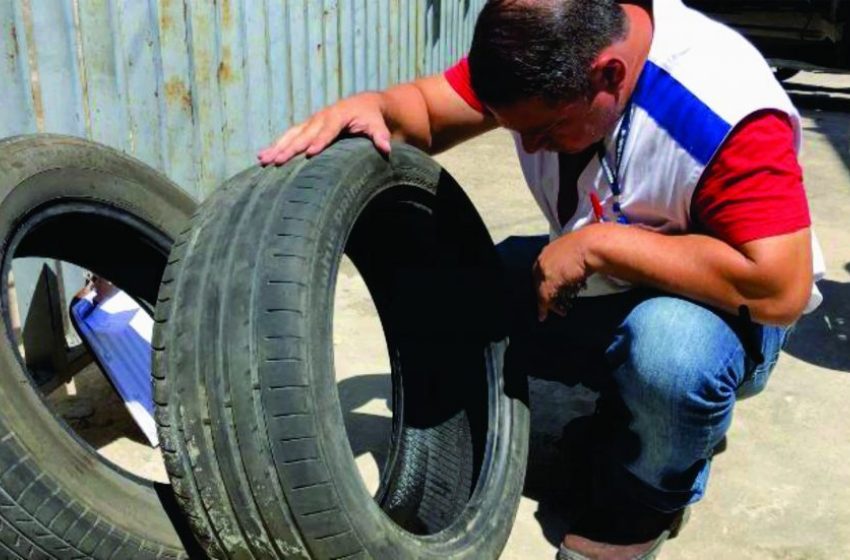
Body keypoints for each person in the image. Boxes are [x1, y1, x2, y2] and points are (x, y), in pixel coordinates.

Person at [258, 1, 824, 558]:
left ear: (609, 75)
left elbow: (778, 288)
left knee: (668, 356)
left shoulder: (722, 108)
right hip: (610, 274)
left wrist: (601, 245)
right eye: (516, 130)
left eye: (546, 128)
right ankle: (624, 417)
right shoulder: (539, 51)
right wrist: (374, 106)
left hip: (726, 309)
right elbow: (425, 114)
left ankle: (645, 500)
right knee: (464, 290)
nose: (528, 147)